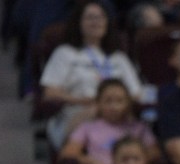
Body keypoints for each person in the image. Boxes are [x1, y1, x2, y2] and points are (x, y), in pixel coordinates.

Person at [39, 1, 143, 149]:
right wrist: (84, 101)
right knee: (93, 113)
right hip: (79, 109)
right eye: (90, 18)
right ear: (78, 23)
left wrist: (112, 106)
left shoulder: (119, 58)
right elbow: (50, 93)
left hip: (119, 112)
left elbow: (136, 93)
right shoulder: (65, 53)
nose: (96, 22)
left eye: (101, 17)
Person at [59, 77, 159, 164]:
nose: (114, 107)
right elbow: (67, 154)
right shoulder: (88, 128)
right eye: (108, 101)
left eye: (119, 101)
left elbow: (154, 153)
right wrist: (91, 162)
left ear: (128, 104)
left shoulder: (139, 127)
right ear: (98, 103)